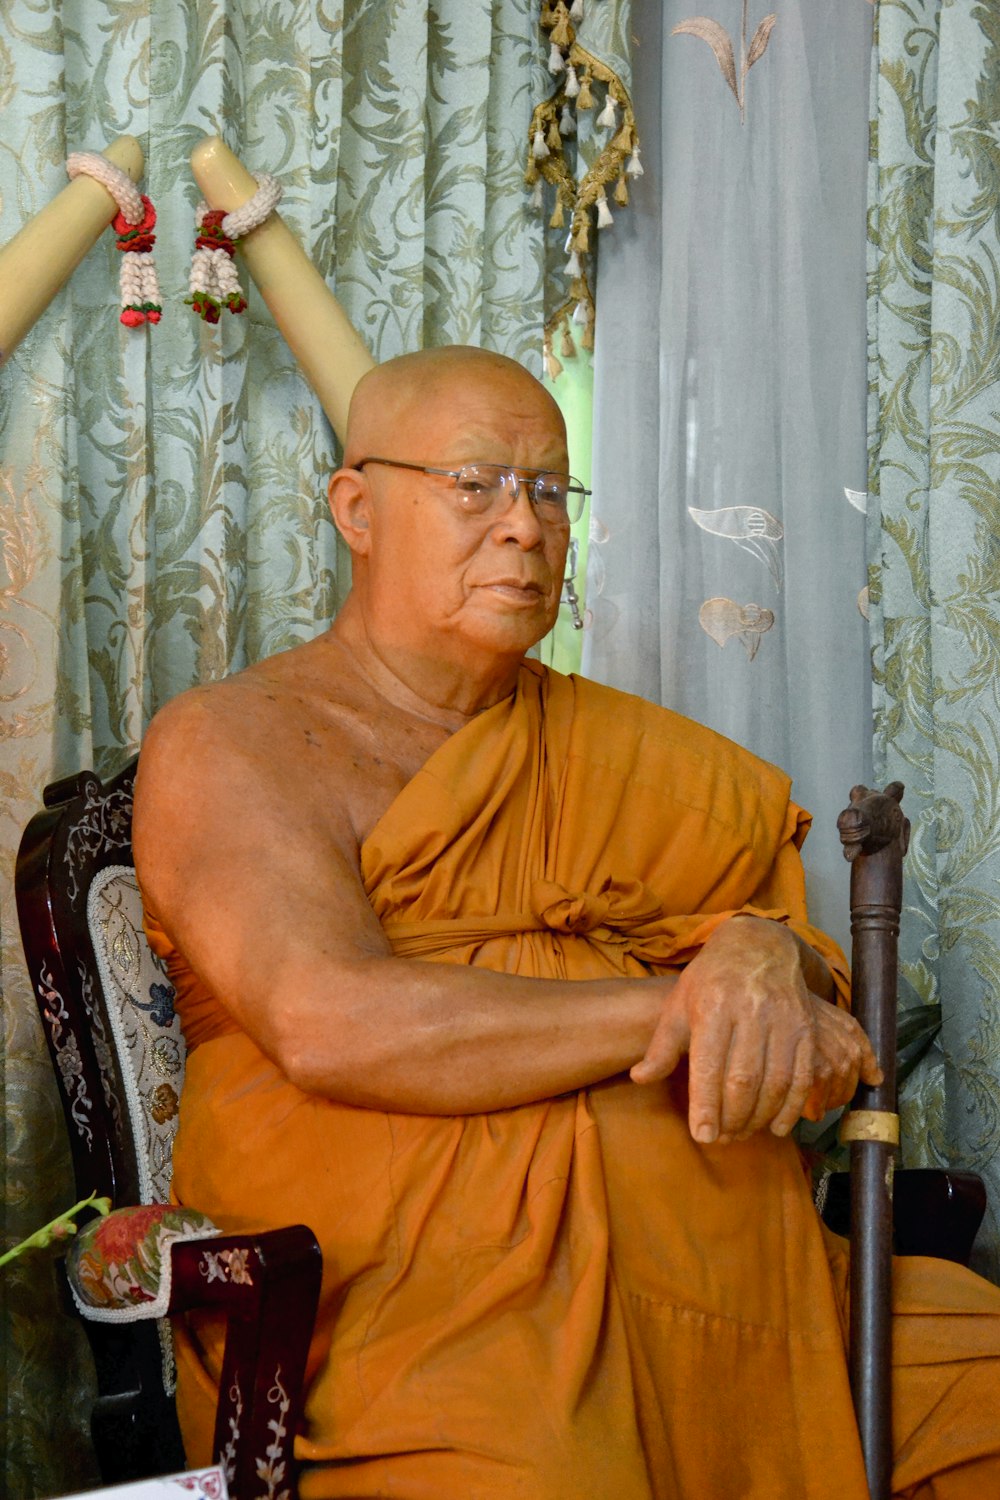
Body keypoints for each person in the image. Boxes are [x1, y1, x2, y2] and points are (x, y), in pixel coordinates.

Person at [134, 346, 1000, 1500]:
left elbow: (796, 975)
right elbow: (330, 1019)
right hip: (421, 1296)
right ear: (357, 509)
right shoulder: (235, 740)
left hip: (746, 1290)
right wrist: (679, 1004)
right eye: (474, 484)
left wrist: (763, 950)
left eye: (549, 490)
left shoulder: (627, 754)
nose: (524, 527)